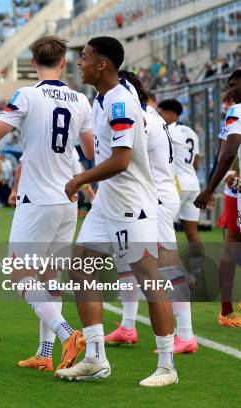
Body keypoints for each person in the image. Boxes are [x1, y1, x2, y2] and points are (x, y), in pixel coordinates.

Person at [0, 36, 94, 372]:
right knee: (50, 278)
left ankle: (68, 333)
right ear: (63, 63)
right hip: (68, 199)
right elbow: (92, 153)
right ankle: (44, 353)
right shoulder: (81, 99)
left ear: (33, 62)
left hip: (38, 199)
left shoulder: (28, 94)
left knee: (19, 271)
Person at [58, 36, 178, 387]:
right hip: (109, 201)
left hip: (130, 206)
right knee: (80, 267)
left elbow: (121, 160)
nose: (79, 63)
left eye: (84, 57)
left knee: (149, 280)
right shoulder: (106, 96)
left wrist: (81, 178)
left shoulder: (121, 101)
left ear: (103, 64)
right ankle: (95, 358)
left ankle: (167, 366)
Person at [104, 71, 197, 354]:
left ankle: (186, 334)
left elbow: (125, 158)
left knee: (166, 264)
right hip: (147, 197)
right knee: (129, 262)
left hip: (154, 199)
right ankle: (128, 325)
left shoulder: (142, 117)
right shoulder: (149, 115)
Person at [195, 69, 241, 327]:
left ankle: (227, 309)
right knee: (232, 242)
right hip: (236, 188)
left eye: (234, 84)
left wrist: (210, 188)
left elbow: (228, 152)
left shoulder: (237, 112)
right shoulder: (235, 111)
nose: (231, 89)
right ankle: (226, 309)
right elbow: (228, 154)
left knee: (233, 244)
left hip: (235, 187)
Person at [157, 99, 203, 284]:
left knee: (164, 230)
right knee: (192, 233)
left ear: (168, 113)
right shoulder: (191, 132)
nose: (159, 116)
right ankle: (197, 272)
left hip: (176, 185)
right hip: (193, 184)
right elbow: (196, 162)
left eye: (161, 113)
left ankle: (180, 275)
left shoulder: (168, 131)